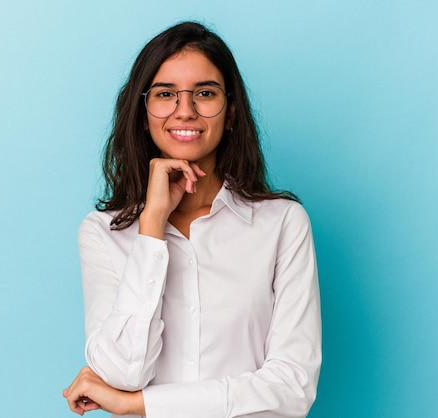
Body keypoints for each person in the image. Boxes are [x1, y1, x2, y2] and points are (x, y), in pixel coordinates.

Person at [63, 21, 322, 418]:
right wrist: (151, 227)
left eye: (204, 93)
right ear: (143, 113)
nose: (185, 110)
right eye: (166, 94)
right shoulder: (101, 233)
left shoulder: (283, 224)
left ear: (231, 112)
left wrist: (140, 406)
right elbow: (120, 372)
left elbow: (291, 388)